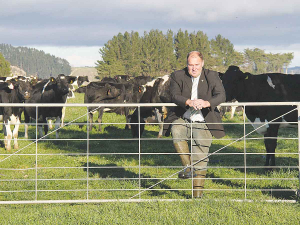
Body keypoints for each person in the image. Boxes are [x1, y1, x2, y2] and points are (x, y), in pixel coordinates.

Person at [167, 51, 226, 198]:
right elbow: (174, 95)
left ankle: (197, 197)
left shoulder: (212, 76)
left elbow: (221, 95)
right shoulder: (177, 75)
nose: (193, 68)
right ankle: (188, 168)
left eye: (197, 65)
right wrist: (189, 102)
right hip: (184, 116)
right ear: (187, 64)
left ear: (202, 64)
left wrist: (207, 103)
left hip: (204, 120)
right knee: (177, 129)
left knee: (200, 157)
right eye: (190, 65)